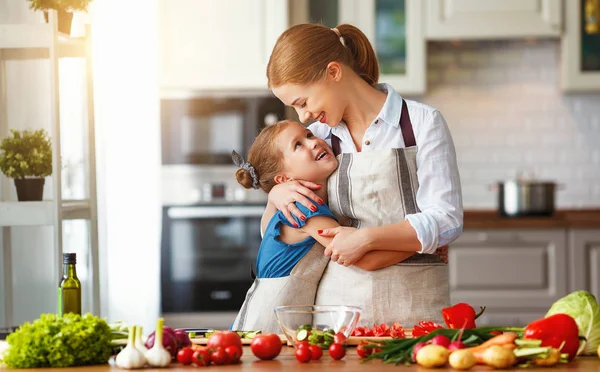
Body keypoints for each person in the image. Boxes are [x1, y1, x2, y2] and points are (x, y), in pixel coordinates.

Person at [263, 23, 463, 326]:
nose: (303, 116)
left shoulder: (421, 122)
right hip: (338, 318)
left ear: (333, 72)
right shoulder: (315, 139)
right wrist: (276, 197)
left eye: (303, 102)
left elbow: (447, 220)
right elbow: (273, 232)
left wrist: (366, 239)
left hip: (417, 315)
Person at [230, 120, 418, 332]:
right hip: (266, 330)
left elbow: (268, 216)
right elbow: (364, 258)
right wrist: (423, 244)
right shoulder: (304, 209)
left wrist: (275, 194)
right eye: (298, 145)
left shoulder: (287, 205)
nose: (313, 143)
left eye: (309, 135)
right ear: (284, 178)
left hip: (269, 328)